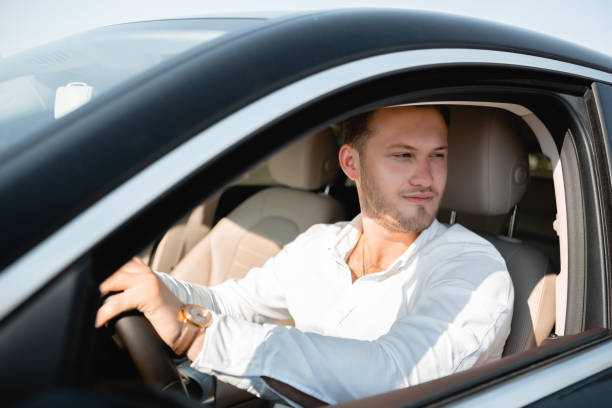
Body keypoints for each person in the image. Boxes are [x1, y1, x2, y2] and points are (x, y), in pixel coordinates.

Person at [96, 105, 514, 405]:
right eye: (403, 155)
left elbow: (396, 379)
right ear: (351, 163)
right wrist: (152, 288)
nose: (426, 177)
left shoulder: (475, 268)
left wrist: (196, 335)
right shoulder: (320, 244)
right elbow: (233, 303)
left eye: (437, 157)